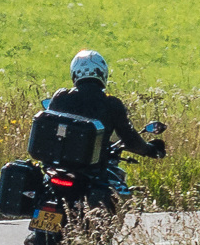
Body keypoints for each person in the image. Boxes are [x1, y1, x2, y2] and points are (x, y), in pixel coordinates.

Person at [34, 50, 168, 174]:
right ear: (103, 73)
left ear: (74, 73)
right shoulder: (111, 103)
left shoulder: (60, 97)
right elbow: (129, 139)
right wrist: (150, 150)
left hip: (56, 165)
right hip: (90, 169)